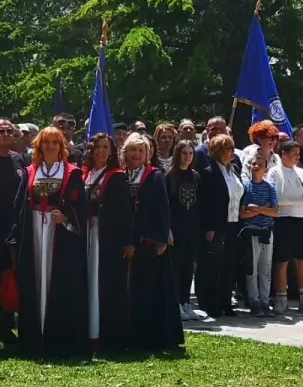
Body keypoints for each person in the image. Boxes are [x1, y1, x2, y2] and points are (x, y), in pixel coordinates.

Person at [10, 126, 90, 358]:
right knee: (34, 277)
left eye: (55, 142)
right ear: (39, 145)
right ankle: (33, 338)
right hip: (34, 229)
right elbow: (19, 205)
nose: (51, 146)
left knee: (59, 280)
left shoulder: (72, 173)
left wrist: (66, 216)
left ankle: (58, 338)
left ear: (62, 146)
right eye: (46, 142)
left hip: (59, 235)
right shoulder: (30, 171)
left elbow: (82, 207)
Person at [122, 133, 181, 349]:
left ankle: (153, 338)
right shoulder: (121, 175)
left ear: (147, 154)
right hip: (126, 237)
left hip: (149, 240)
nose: (136, 154)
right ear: (124, 153)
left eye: (141, 150)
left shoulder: (154, 175)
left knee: (151, 290)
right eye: (132, 150)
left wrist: (161, 239)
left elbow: (163, 208)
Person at [83, 132, 134, 352]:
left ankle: (109, 336)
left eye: (106, 147)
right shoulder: (85, 174)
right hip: (86, 236)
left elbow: (125, 212)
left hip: (108, 237)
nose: (101, 151)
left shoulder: (117, 176)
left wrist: (128, 242)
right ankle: (88, 332)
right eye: (98, 147)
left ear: (112, 151)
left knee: (108, 285)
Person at [0, 119, 26, 345]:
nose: (6, 134)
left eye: (10, 131)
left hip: (14, 230)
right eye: (1, 131)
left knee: (10, 280)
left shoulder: (18, 160)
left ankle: (6, 328)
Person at [196, 134, 244, 318]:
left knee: (229, 265)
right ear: (217, 151)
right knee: (213, 266)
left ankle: (226, 302)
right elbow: (206, 203)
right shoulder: (209, 172)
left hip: (234, 224)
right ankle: (211, 303)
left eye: (232, 148)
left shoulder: (234, 170)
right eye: (227, 149)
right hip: (217, 226)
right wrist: (209, 227)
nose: (232, 152)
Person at [272, 139, 303, 315]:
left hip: (301, 219)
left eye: (299, 154)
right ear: (283, 153)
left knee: (302, 259)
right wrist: (300, 198)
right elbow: (277, 198)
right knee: (282, 260)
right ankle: (281, 298)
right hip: (283, 219)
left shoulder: (300, 171)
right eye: (294, 154)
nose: (298, 157)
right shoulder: (274, 172)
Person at [166, 140, 203, 321]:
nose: (187, 157)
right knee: (176, 267)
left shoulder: (195, 176)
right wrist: (167, 229)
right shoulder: (170, 176)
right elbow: (166, 205)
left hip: (192, 229)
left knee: (189, 266)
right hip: (176, 229)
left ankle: (186, 302)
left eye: (190, 153)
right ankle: (175, 304)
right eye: (184, 153)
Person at [240, 153, 279, 317]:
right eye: (253, 164)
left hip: (267, 232)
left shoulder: (270, 187)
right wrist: (263, 209)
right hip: (251, 232)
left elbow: (275, 211)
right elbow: (243, 213)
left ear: (266, 169)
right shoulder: (246, 187)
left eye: (260, 165)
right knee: (252, 269)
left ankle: (264, 301)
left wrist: (255, 209)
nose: (256, 167)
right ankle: (254, 301)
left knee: (265, 269)